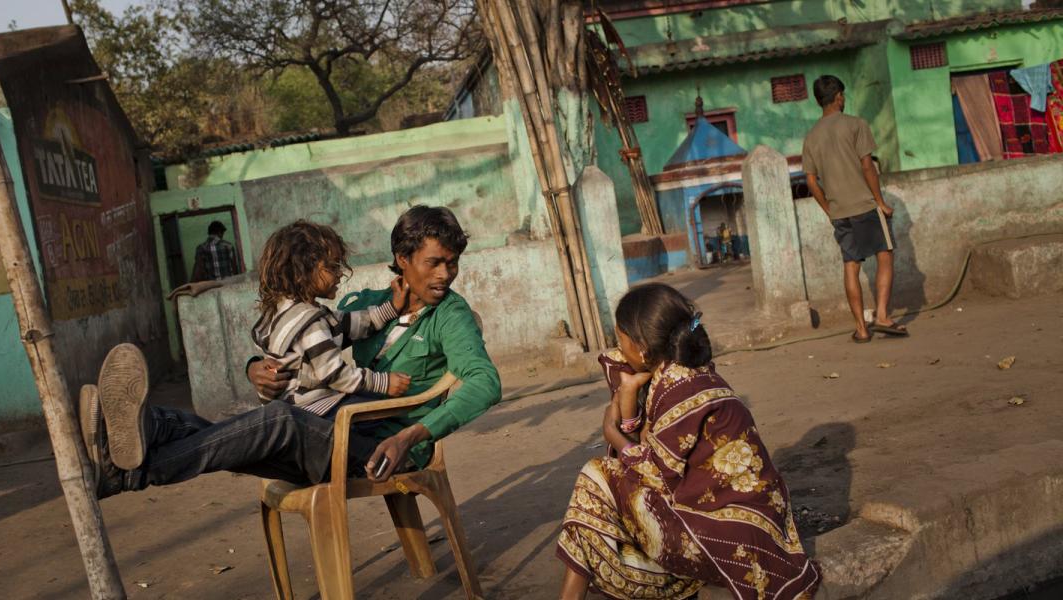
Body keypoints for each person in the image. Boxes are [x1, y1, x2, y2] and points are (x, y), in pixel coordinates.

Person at [80, 205, 501, 497]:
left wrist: (414, 435)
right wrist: (255, 369)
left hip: (380, 453)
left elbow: (485, 383)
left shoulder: (451, 315)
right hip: (332, 436)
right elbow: (308, 339)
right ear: (402, 259)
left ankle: (131, 473)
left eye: (453, 262)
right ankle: (145, 427)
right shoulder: (366, 305)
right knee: (245, 428)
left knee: (275, 421)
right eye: (435, 263)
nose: (447, 275)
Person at [557, 283, 820, 600]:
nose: (617, 347)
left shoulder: (679, 385)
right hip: (731, 522)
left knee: (594, 480)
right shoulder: (681, 373)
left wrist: (612, 433)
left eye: (620, 338)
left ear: (641, 346)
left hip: (729, 535)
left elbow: (649, 472)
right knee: (599, 497)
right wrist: (627, 394)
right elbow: (646, 448)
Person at [250, 220, 411, 417]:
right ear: (304, 270)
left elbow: (352, 323)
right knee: (382, 409)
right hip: (311, 411)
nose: (340, 274)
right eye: (332, 266)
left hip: (292, 410)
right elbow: (336, 375)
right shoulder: (309, 323)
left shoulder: (286, 311)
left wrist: (393, 307)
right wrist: (383, 382)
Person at [802, 75, 908, 343]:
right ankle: (882, 316)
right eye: (843, 95)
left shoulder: (811, 137)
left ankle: (861, 329)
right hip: (865, 205)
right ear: (839, 96)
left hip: (840, 212)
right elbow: (867, 166)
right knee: (885, 253)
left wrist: (829, 210)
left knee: (851, 265)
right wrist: (880, 202)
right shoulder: (856, 125)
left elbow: (811, 182)